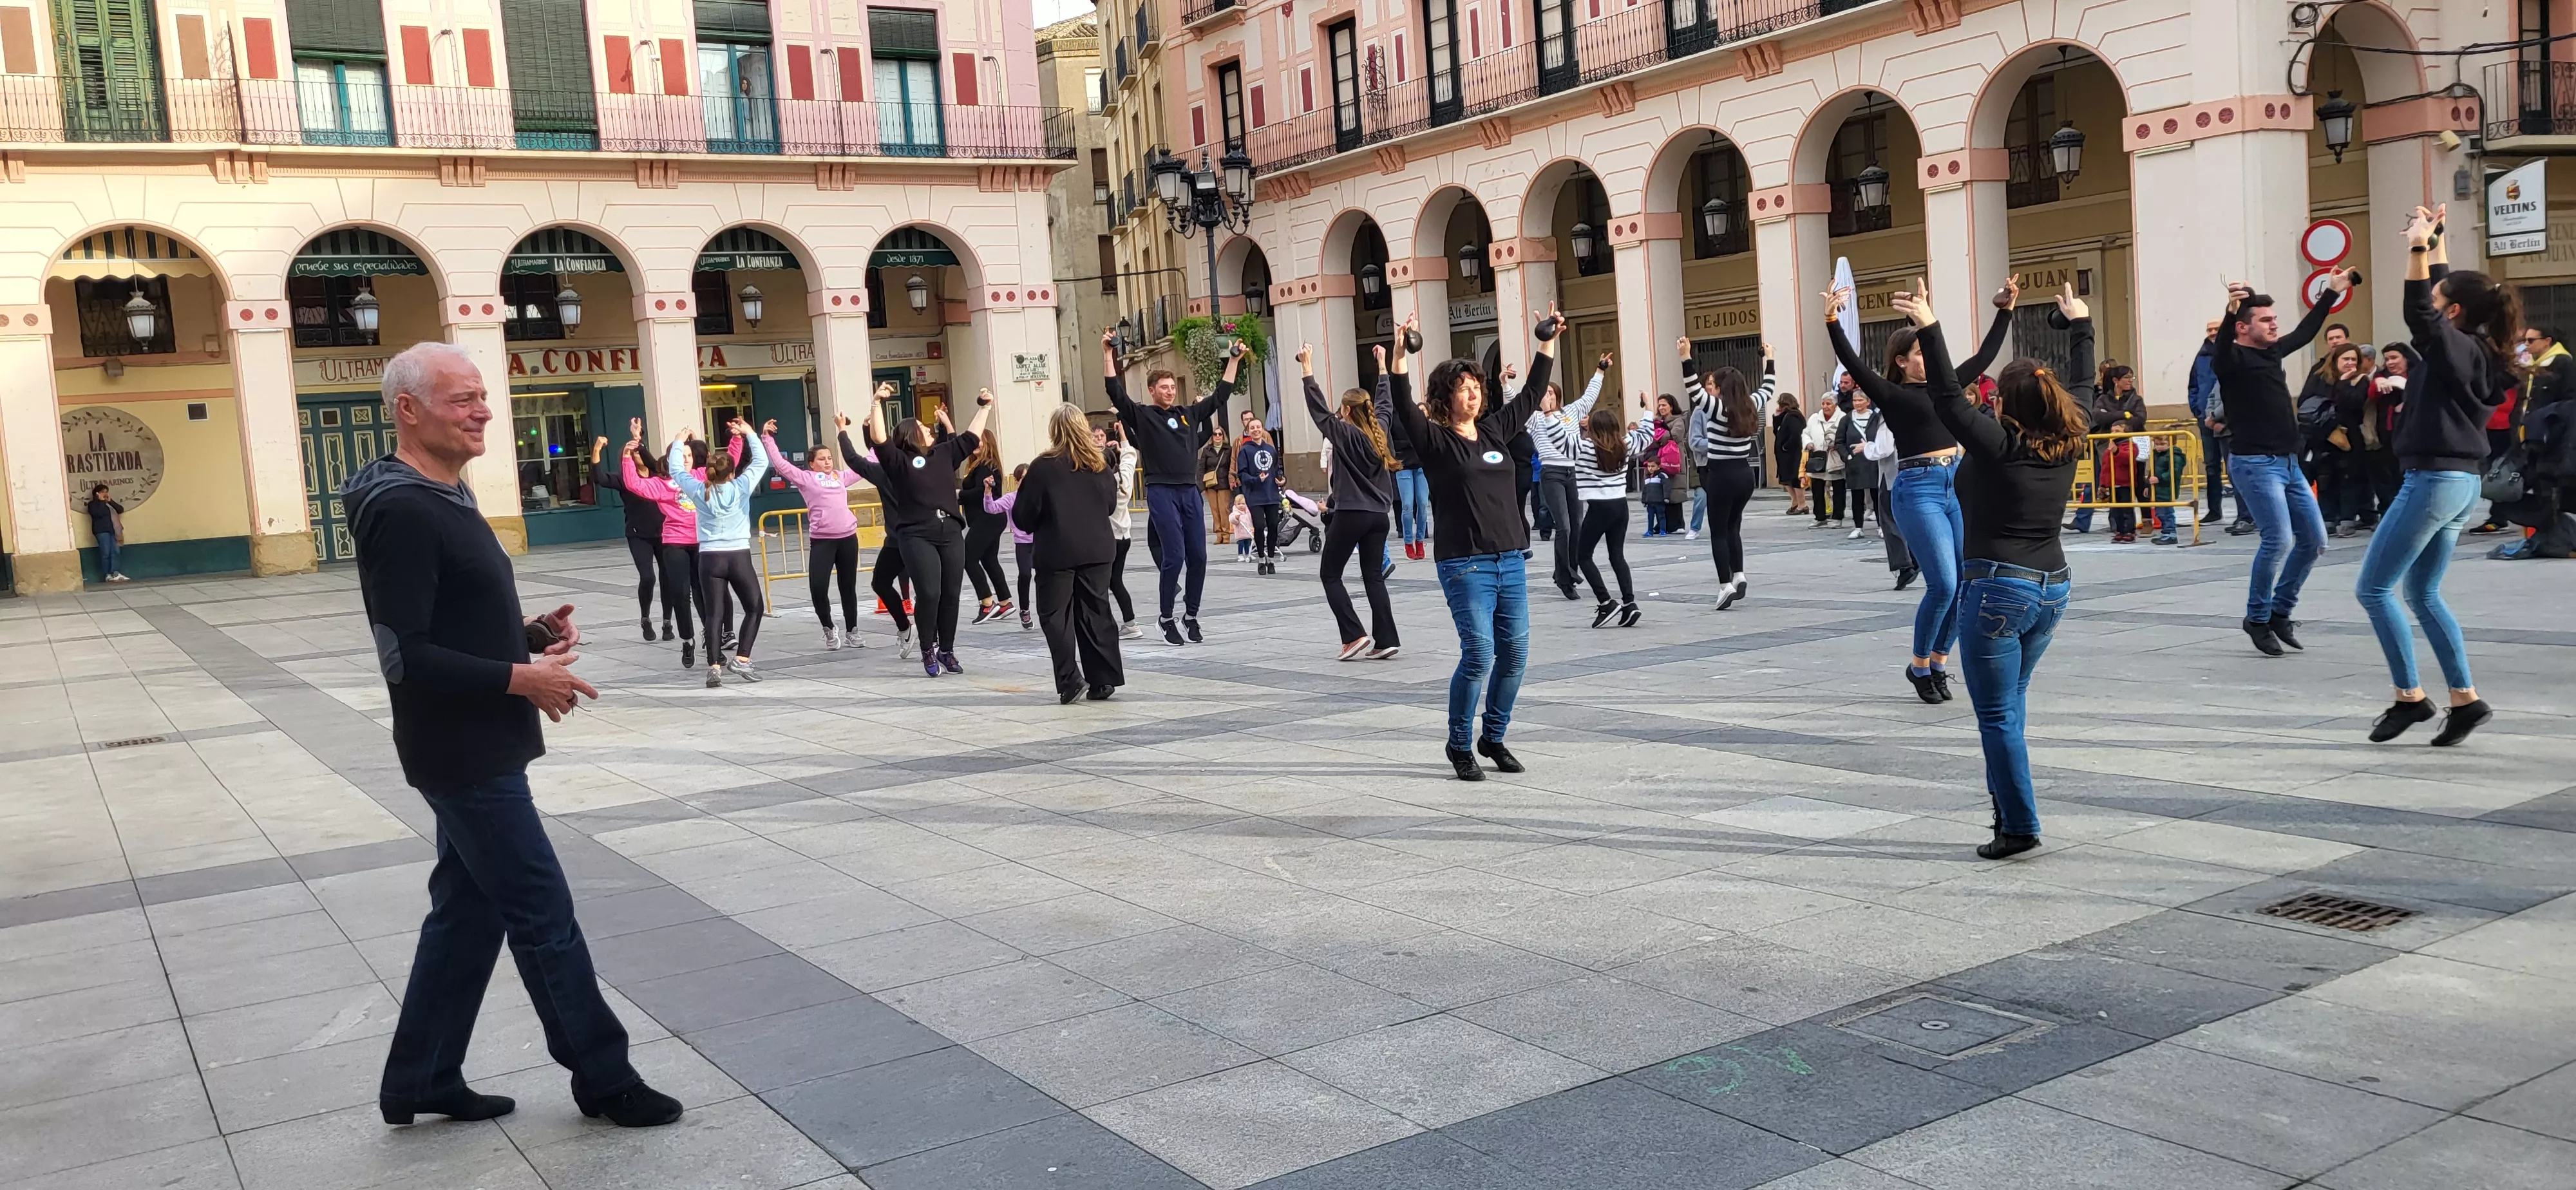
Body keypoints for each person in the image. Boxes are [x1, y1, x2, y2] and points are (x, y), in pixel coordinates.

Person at [348, 342, 681, 1131]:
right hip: (461, 751)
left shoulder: (447, 494)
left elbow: (447, 620)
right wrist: (519, 678)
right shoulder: (403, 509)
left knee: (467, 914)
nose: (483, 411)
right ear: (408, 410)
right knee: (541, 910)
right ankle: (603, 1077)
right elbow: (405, 655)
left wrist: (525, 637)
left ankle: (422, 1076)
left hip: (480, 739)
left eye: (482, 396)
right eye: (462, 399)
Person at [1908, 280, 2096, 860]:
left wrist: (1929, 328)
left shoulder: (1999, 444)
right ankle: (2007, 811)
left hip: (1998, 588)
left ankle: (2017, 826)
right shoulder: (2070, 436)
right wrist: (2081, 324)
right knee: (2010, 704)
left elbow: (1945, 397)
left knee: (1997, 715)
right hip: (2053, 588)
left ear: (2004, 405)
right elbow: (2084, 385)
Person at [2357, 205, 2512, 746]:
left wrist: (2417, 248)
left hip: (2431, 481)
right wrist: (2439, 239)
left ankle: (2410, 698)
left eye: (2443, 301)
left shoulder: (2452, 346)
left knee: (2374, 589)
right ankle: (2466, 701)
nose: (2436, 302)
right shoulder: (2475, 348)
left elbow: (2420, 310)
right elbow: (2440, 299)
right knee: (2422, 593)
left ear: (2455, 312)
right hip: (2459, 482)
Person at [1828, 274, 2018, 701]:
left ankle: (1938, 662)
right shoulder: (1891, 394)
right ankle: (1918, 667)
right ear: (1901, 361)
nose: (1927, 360)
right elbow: (1853, 364)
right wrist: (1832, 321)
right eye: (1918, 354)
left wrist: (2005, 311)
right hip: (1917, 489)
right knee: (1944, 585)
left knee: (1966, 584)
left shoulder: (1945, 389)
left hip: (1954, 485)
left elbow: (1984, 357)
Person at [1388, 305, 1558, 781]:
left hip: (1511, 559)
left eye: (1477, 386)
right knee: (1480, 654)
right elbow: (1402, 404)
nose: (1473, 393)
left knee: (1515, 655)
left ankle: (1494, 737)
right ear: (1446, 397)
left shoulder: (1494, 430)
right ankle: (1460, 743)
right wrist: (1399, 356)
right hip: (1466, 565)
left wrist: (1547, 342)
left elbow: (1532, 394)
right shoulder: (1434, 441)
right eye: (1463, 387)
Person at [2213, 266, 2356, 656]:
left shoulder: (2273, 351)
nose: (2275, 324)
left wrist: (2332, 292)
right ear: (2243, 327)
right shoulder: (2232, 359)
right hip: (2255, 464)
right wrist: (2229, 312)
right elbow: (2221, 350)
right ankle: (2257, 618)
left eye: (2275, 318)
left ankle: (2280, 612)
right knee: (2278, 541)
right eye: (2266, 320)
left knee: (2315, 541)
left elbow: (2306, 331)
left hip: (2289, 464)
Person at [1104, 330, 1240, 644]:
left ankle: (1191, 616)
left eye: (1172, 387)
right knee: (1174, 556)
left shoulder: (1188, 414)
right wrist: (1108, 354)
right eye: (1163, 387)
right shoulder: (1143, 415)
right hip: (1161, 491)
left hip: (1189, 491)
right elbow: (1115, 391)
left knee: (1199, 557)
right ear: (1152, 390)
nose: (1169, 391)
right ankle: (1166, 618)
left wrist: (1233, 360)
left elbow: (1220, 396)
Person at [868, 387, 996, 677]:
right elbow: (879, 439)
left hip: (950, 531)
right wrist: (876, 403)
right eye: (922, 427)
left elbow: (971, 436)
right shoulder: (898, 460)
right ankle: (927, 647)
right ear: (910, 435)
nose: (928, 429)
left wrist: (985, 407)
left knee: (951, 593)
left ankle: (946, 650)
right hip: (916, 534)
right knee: (929, 592)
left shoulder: (944, 453)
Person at [1012, 404, 1126, 701]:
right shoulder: (1099, 464)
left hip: (1058, 550)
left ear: (1054, 431)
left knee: (1055, 616)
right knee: (1096, 611)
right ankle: (1103, 679)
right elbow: (1110, 505)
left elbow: (1023, 515)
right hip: (1098, 548)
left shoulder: (1043, 467)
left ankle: (1070, 679)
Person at [1303, 343, 1403, 659]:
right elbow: (1385, 404)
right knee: (1373, 576)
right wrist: (1383, 367)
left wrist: (1307, 369)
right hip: (1379, 516)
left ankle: (1354, 635)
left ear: (1346, 411)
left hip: (1352, 513)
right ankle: (1386, 639)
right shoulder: (1379, 431)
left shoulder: (1345, 434)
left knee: (1330, 574)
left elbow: (1319, 411)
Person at [667, 420, 770, 686]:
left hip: (710, 557)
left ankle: (714, 667)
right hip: (738, 555)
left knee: (714, 614)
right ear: (732, 473)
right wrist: (750, 434)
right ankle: (742, 658)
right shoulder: (741, 486)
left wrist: (678, 442)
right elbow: (761, 461)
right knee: (755, 607)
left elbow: (675, 469)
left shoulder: (699, 489)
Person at [618, 428, 728, 669]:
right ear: (672, 459)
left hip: (701, 543)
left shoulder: (700, 476)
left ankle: (713, 643)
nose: (686, 459)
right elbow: (634, 484)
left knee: (705, 594)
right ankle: (687, 640)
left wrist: (739, 438)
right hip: (675, 543)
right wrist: (627, 457)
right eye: (681, 455)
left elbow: (729, 464)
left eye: (689, 455)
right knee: (680, 593)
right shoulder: (662, 484)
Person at [1680, 337, 1772, 607]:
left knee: (1718, 531)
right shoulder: (1751, 404)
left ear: (1720, 389)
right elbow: (1769, 387)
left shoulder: (1717, 408)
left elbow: (1693, 389)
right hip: (1745, 475)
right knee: (1734, 526)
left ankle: (1725, 586)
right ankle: (1739, 574)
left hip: (1721, 475)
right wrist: (1770, 359)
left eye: (1715, 385)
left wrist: (1686, 357)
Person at [763, 423, 869, 650]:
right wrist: (768, 438)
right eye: (822, 459)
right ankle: (829, 628)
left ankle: (852, 630)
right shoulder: (806, 478)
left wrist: (874, 436)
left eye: (829, 458)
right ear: (812, 464)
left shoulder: (840, 477)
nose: (828, 462)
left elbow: (865, 465)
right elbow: (781, 465)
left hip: (848, 538)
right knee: (818, 587)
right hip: (823, 540)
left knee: (848, 587)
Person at [1571, 392, 1657, 627]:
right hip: (1621, 505)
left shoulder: (1586, 448)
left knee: (1583, 556)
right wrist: (1648, 407)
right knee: (1617, 555)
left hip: (1599, 507)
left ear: (1593, 430)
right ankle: (1630, 603)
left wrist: (1549, 413)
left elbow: (1560, 440)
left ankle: (1606, 602)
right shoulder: (1625, 445)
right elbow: (1647, 433)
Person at [1530, 364, 1600, 598]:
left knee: (1577, 526)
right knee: (1564, 527)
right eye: (1544, 393)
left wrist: (1600, 371)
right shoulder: (1535, 418)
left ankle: (1567, 573)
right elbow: (1515, 403)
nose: (1547, 396)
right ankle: (1565, 579)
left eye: (1551, 393)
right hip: (1551, 473)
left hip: (1573, 472)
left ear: (1557, 396)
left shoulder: (1571, 412)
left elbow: (1589, 396)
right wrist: (1505, 385)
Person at [589, 433, 660, 636]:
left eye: (640, 452)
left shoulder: (658, 475)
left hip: (664, 533)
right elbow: (599, 478)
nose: (638, 456)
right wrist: (597, 449)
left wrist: (638, 437)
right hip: (638, 534)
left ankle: (667, 621)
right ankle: (646, 617)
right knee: (648, 577)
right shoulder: (625, 478)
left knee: (669, 578)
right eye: (633, 453)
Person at [2302, 343, 2371, 538]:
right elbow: (2307, 401)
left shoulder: (2360, 380)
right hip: (2324, 434)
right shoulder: (2320, 377)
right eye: (2345, 359)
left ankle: (2347, 518)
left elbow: (2354, 403)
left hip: (2349, 435)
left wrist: (2343, 383)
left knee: (2349, 477)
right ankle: (2328, 517)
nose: (2350, 363)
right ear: (2336, 360)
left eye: (2354, 360)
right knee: (2325, 477)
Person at [960, 433, 1014, 625]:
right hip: (991, 519)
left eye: (979, 440)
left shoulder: (985, 466)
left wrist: (959, 494)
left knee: (968, 558)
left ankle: (987, 602)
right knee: (989, 560)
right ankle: (1005, 602)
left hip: (987, 519)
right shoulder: (983, 465)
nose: (975, 444)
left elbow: (980, 492)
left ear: (988, 443)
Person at [1096, 423, 1144, 638]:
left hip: (1109, 539)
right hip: (1125, 537)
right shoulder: (1123, 478)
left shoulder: (1102, 485)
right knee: (1115, 581)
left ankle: (1107, 626)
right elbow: (1130, 457)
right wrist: (1123, 435)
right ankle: (1130, 623)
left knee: (1102, 584)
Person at [983, 465, 1037, 630]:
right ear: (1016, 480)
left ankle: (1050, 609)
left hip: (1042, 541)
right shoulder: (1012, 498)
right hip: (1023, 543)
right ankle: (1025, 609)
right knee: (1025, 574)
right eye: (1024, 479)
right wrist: (988, 492)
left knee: (1047, 576)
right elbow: (991, 508)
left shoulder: (1040, 496)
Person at [2188, 323, 2230, 528]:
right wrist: (2198, 410)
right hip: (2205, 419)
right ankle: (2214, 511)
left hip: (2229, 418)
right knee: (2211, 466)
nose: (2213, 333)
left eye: (2216, 329)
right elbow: (2193, 386)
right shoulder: (2201, 357)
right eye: (2209, 330)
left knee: (2234, 466)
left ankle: (2246, 514)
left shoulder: (2232, 351)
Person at [1389, 384, 1432, 560]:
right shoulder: (1392, 416)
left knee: (1422, 503)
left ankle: (1420, 540)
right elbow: (1389, 440)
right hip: (1403, 464)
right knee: (1407, 505)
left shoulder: (1414, 413)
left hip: (1421, 464)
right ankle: (1408, 541)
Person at [1237, 420, 1285, 574]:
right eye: (1252, 428)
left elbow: (1277, 470)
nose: (1256, 430)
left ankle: (1271, 559)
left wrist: (1282, 480)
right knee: (1259, 526)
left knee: (1273, 526)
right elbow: (1242, 474)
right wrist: (1256, 480)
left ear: (1263, 429)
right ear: (1248, 431)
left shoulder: (1270, 449)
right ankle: (1261, 559)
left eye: (1258, 427)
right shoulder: (1245, 450)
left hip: (1271, 494)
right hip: (1255, 496)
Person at [1653, 393, 1696, 540]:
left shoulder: (1679, 420)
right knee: (1660, 492)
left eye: (1664, 405)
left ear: (1671, 407)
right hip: (1660, 459)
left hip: (1674, 460)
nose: (1661, 408)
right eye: (1659, 405)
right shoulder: (1657, 421)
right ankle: (1663, 523)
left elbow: (1675, 436)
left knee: (1675, 491)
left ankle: (1677, 524)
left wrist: (1660, 435)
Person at [1804, 392, 1847, 525]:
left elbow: (1846, 435)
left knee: (1838, 488)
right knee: (1817, 489)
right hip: (1818, 457)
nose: (1825, 406)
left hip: (1835, 458)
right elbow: (1806, 433)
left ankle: (1838, 517)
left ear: (1835, 405)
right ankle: (1820, 517)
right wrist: (1808, 443)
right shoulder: (1814, 418)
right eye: (1823, 403)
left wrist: (1838, 444)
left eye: (1828, 404)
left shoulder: (1843, 418)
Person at [1773, 392, 1809, 516]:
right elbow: (1777, 431)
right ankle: (1795, 502)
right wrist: (1776, 417)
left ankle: (1802, 504)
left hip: (1793, 454)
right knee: (1786, 479)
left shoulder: (1793, 416)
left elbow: (1796, 434)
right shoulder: (1786, 416)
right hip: (1785, 455)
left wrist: (1786, 446)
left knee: (1795, 479)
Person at [84, 482, 128, 583]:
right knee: (106, 552)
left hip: (113, 530)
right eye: (103, 492)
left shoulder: (108, 504)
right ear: (97, 494)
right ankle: (107, 574)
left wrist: (110, 501)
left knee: (116, 551)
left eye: (106, 492)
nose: (105, 494)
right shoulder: (93, 505)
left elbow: (120, 510)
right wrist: (102, 501)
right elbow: (99, 513)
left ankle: (115, 573)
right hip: (102, 531)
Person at [1202, 428, 1235, 547]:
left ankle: (1226, 534)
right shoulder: (1207, 450)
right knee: (1214, 511)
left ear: (1223, 436)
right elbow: (1201, 467)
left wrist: (1232, 480)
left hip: (1224, 483)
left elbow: (1232, 465)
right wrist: (1201, 485)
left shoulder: (1228, 450)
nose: (1217, 436)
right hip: (1210, 484)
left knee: (1223, 509)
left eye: (1220, 434)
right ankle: (1219, 534)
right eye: (1215, 434)